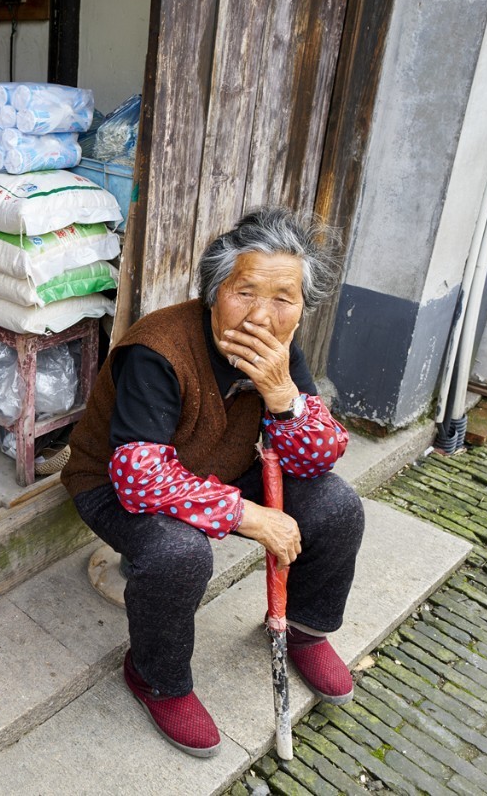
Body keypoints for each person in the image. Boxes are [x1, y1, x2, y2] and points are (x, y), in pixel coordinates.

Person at [61, 206, 365, 758]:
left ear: (302, 308)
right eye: (244, 292)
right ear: (214, 291)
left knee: (337, 505)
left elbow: (318, 458)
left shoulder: (281, 350)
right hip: (111, 482)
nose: (261, 318)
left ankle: (305, 630)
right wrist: (251, 517)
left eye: (283, 299)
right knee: (180, 553)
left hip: (221, 468)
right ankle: (156, 677)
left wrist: (283, 398)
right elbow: (138, 479)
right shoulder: (159, 349)